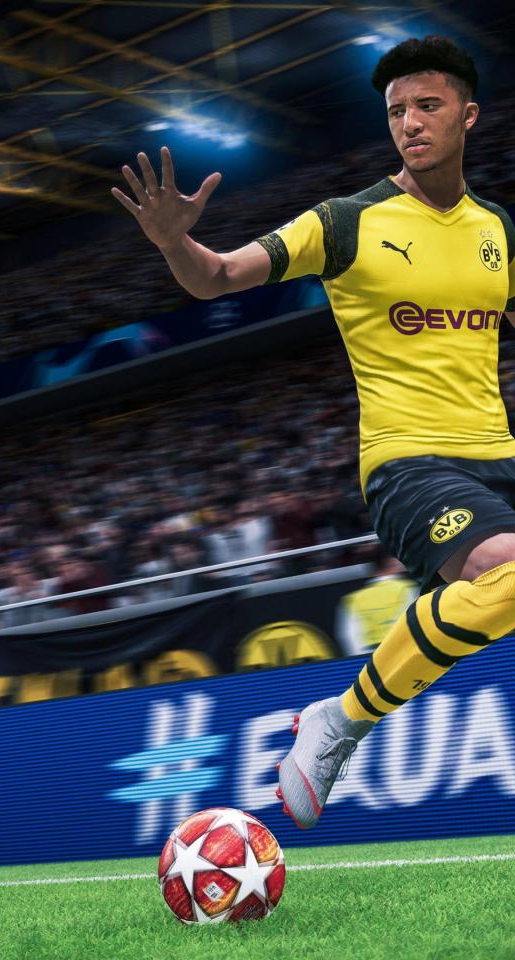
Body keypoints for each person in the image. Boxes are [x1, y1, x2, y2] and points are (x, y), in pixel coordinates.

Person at [112, 35, 515, 830]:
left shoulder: (498, 228)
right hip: (410, 463)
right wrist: (172, 241)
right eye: (396, 112)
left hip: (501, 458)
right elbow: (217, 275)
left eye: (427, 106)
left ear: (468, 116)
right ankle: (340, 721)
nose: (410, 123)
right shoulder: (346, 222)